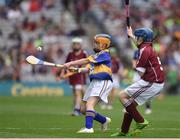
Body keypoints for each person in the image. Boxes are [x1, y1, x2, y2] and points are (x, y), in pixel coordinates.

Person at [111, 27, 165, 137]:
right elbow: (138, 45)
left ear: (143, 38)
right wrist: (131, 35)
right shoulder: (147, 47)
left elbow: (140, 73)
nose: (136, 38)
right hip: (155, 81)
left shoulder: (144, 50)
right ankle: (123, 131)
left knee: (122, 96)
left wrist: (135, 65)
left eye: (138, 37)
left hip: (152, 82)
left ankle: (140, 121)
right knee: (130, 105)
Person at [63, 34, 113, 133]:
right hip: (94, 82)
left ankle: (89, 128)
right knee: (83, 109)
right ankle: (104, 120)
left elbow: (86, 60)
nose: (94, 45)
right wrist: (77, 70)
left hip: (102, 81)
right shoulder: (97, 56)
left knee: (90, 104)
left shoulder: (104, 54)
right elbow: (88, 68)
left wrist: (70, 63)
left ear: (103, 45)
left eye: (97, 43)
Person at [61, 37, 87, 116]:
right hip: (72, 77)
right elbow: (65, 64)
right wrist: (62, 73)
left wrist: (78, 69)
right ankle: (79, 109)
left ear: (80, 45)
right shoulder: (70, 54)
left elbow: (86, 64)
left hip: (80, 76)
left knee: (78, 92)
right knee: (75, 94)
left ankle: (77, 110)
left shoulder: (84, 53)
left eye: (77, 44)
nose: (75, 45)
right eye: (74, 44)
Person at [133, 50, 152, 115]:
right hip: (137, 73)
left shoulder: (148, 51)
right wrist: (134, 65)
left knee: (146, 91)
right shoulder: (136, 51)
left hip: (145, 73)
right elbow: (134, 60)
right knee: (133, 90)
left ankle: (148, 108)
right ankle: (130, 107)